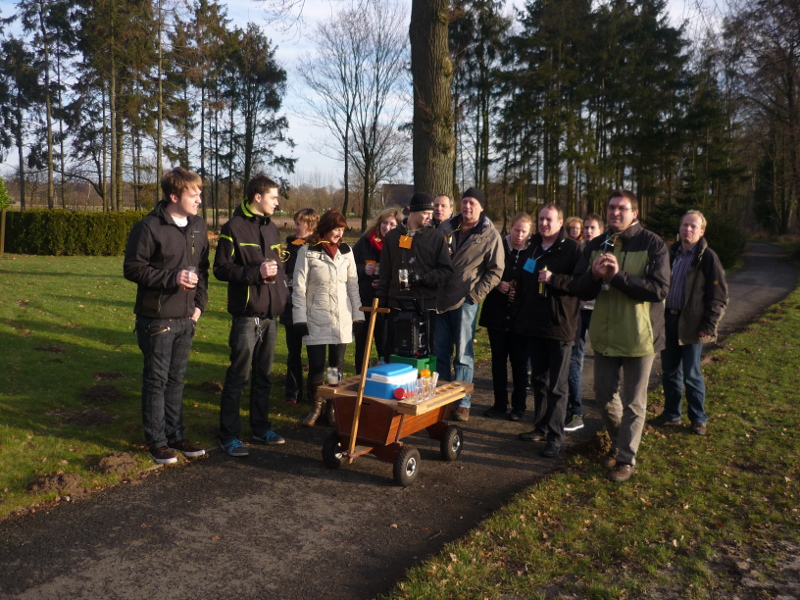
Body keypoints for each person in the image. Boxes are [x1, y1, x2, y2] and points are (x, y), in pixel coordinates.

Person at [572, 190, 670, 482]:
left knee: (634, 402)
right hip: (605, 334)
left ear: (635, 213)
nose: (615, 212)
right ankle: (620, 441)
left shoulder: (653, 244)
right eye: (611, 207)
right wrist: (593, 276)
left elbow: (659, 289)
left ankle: (626, 459)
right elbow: (579, 288)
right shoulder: (595, 244)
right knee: (603, 395)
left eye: (622, 208)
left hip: (641, 335)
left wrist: (617, 277)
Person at [123, 167, 209, 465]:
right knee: (156, 382)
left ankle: (176, 436)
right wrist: (172, 278)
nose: (199, 200)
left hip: (187, 319)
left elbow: (203, 269)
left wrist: (199, 307)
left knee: (176, 381)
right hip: (157, 320)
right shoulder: (149, 227)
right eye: (193, 194)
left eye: (200, 194)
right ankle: (157, 442)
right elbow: (133, 268)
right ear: (174, 196)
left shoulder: (198, 226)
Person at [214, 175, 289, 458]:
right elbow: (220, 269)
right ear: (258, 197)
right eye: (273, 197)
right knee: (238, 376)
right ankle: (229, 436)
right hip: (246, 316)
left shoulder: (272, 229)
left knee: (264, 376)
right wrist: (255, 273)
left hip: (271, 315)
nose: (277, 202)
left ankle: (261, 428)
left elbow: (279, 268)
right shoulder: (233, 227)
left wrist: (283, 296)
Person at [515, 205, 582, 458]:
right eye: (541, 219)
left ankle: (555, 437)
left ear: (560, 222)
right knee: (539, 381)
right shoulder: (532, 247)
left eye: (549, 220)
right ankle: (541, 427)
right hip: (534, 324)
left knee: (557, 386)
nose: (544, 223)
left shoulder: (573, 249)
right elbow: (523, 281)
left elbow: (581, 283)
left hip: (560, 326)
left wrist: (554, 279)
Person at [653, 210, 728, 435]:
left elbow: (719, 295)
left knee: (692, 373)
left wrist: (709, 324)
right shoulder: (670, 253)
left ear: (701, 231)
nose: (688, 229)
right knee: (669, 371)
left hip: (693, 324)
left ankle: (698, 419)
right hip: (668, 320)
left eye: (693, 226)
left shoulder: (708, 257)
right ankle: (671, 414)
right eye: (685, 225)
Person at [435, 187, 504, 422]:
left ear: (481, 207)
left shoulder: (489, 235)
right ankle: (442, 400)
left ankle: (463, 402)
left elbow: (496, 271)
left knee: (463, 354)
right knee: (440, 352)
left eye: (472, 203)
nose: (467, 207)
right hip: (440, 300)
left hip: (465, 302)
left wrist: (474, 296)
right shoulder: (447, 227)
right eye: (464, 202)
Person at [293, 210, 365, 427]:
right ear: (325, 228)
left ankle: (332, 407)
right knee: (316, 366)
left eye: (342, 229)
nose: (339, 233)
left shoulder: (346, 252)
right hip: (315, 317)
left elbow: (353, 287)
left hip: (341, 318)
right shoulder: (307, 252)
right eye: (336, 228)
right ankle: (316, 408)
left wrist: (358, 316)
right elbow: (299, 288)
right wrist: (299, 318)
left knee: (336, 366)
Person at [377, 192, 453, 356]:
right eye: (426, 213)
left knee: (422, 357)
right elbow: (385, 273)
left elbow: (446, 272)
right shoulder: (392, 237)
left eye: (431, 213)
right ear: (413, 211)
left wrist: (423, 278)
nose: (430, 217)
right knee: (396, 355)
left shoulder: (436, 238)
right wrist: (382, 304)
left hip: (425, 306)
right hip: (397, 305)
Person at [480, 212, 532, 421]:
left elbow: (533, 279)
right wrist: (497, 284)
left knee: (519, 363)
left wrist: (519, 290)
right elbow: (485, 269)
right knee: (498, 361)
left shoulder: (533, 252)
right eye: (516, 230)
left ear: (529, 232)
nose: (519, 235)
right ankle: (499, 404)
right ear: (510, 228)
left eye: (523, 231)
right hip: (497, 312)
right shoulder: (499, 245)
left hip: (521, 316)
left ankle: (519, 406)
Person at [565, 213, 605, 432]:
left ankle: (605, 403)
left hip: (600, 312)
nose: (588, 231)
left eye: (592, 228)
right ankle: (575, 411)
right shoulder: (579, 251)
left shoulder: (607, 251)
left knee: (603, 359)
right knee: (575, 359)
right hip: (579, 311)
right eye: (586, 228)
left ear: (601, 231)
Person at [352, 207, 402, 372]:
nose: (387, 227)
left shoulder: (401, 245)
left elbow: (403, 271)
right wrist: (362, 269)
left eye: (392, 224)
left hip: (386, 303)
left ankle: (385, 378)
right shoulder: (365, 241)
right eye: (385, 223)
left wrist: (385, 282)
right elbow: (349, 264)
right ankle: (360, 379)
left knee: (385, 345)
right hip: (365, 301)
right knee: (362, 346)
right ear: (379, 224)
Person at [282, 208, 319, 405]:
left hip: (313, 307)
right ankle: (293, 392)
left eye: (299, 224)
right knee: (293, 352)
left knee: (314, 354)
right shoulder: (292, 246)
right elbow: (284, 270)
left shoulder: (319, 247)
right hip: (292, 306)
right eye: (295, 223)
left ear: (310, 225)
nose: (295, 227)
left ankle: (315, 394)